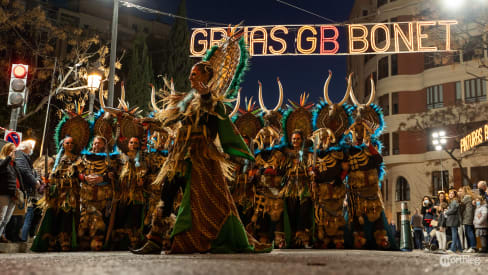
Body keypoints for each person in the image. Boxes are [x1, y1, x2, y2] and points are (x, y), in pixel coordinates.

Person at [133, 58, 269, 254]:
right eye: (190, 74)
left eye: (194, 74)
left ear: (206, 76)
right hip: (181, 155)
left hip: (202, 158)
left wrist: (205, 95)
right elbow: (172, 119)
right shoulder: (187, 102)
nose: (190, 77)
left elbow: (211, 113)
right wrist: (150, 122)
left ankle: (203, 236)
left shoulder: (213, 102)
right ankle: (154, 240)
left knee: (206, 199)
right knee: (167, 192)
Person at [31, 136, 81, 252]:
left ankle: (64, 242)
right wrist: (47, 181)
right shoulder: (54, 159)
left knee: (66, 215)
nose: (69, 145)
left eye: (71, 143)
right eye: (67, 143)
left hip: (69, 193)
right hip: (55, 192)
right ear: (63, 144)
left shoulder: (77, 159)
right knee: (51, 215)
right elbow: (48, 175)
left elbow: (80, 175)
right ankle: (49, 242)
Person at [77, 136, 118, 251]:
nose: (96, 146)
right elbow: (78, 172)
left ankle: (98, 242)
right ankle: (84, 242)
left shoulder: (110, 158)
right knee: (84, 222)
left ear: (104, 145)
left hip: (103, 195)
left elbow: (115, 175)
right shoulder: (85, 157)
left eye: (99, 143)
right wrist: (85, 178)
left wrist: (103, 178)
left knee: (100, 220)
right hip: (86, 195)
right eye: (95, 143)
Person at [112, 137, 147, 250]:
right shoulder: (121, 156)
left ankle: (134, 241)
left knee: (135, 215)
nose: (133, 144)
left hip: (136, 192)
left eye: (136, 143)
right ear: (127, 144)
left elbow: (146, 171)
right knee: (121, 214)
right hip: (123, 192)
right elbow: (115, 170)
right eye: (131, 142)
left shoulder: (142, 158)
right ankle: (119, 242)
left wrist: (142, 178)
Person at [15, 141, 41, 243]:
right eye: (30, 148)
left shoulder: (25, 158)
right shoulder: (20, 156)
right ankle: (20, 237)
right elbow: (24, 171)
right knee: (21, 216)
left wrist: (37, 180)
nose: (31, 150)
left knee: (22, 216)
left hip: (26, 190)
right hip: (22, 190)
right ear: (24, 148)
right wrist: (35, 182)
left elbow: (33, 172)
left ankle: (20, 237)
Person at [0, 143, 23, 243]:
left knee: (6, 219)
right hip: (4, 193)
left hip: (13, 194)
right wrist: (8, 158)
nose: (15, 153)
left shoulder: (14, 164)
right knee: (1, 217)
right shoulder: (2, 161)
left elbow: (18, 179)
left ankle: (0, 235)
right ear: (7, 151)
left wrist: (22, 190)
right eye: (13, 151)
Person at [458, 186, 476, 253]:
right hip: (468, 217)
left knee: (469, 232)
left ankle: (473, 246)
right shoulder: (470, 197)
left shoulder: (467, 197)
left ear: (465, 191)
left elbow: (460, 205)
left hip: (467, 217)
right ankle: (469, 247)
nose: (461, 192)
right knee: (468, 232)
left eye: (461, 191)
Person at [445, 189, 462, 253]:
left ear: (455, 195)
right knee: (456, 234)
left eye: (452, 193)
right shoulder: (453, 201)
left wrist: (446, 212)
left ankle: (453, 248)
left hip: (454, 219)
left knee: (454, 234)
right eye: (449, 193)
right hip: (453, 219)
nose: (450, 195)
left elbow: (453, 210)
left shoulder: (454, 201)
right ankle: (460, 248)